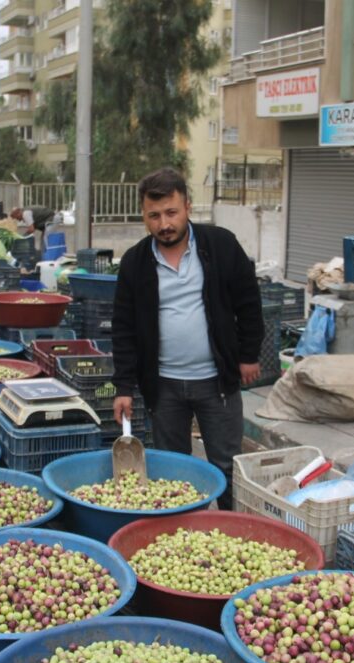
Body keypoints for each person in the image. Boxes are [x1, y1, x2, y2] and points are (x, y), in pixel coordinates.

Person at [111, 168, 264, 510]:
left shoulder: (220, 245)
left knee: (226, 466)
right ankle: (184, 532)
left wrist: (248, 354)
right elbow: (123, 328)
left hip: (216, 382)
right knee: (174, 471)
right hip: (164, 386)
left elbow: (248, 302)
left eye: (171, 213)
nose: (164, 224)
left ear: (188, 208)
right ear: (144, 216)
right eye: (154, 216)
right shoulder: (135, 262)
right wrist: (123, 387)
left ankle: (229, 528)